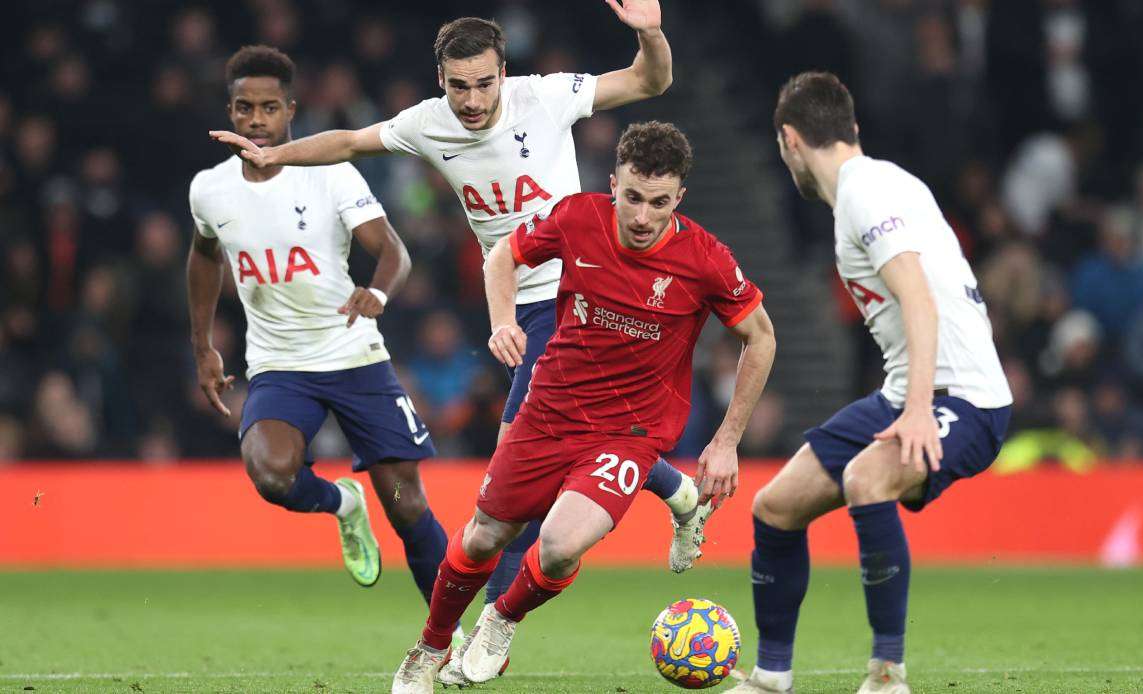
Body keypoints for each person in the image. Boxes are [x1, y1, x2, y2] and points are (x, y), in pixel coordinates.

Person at [209, 5, 714, 679]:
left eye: (484, 83)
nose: (473, 101)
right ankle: (673, 488)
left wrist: (650, 31)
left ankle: (488, 630)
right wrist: (277, 153)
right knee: (553, 454)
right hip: (518, 300)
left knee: (514, 470)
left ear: (504, 73)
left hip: (582, 292)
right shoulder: (427, 124)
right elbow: (351, 141)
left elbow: (648, 82)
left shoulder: (546, 96)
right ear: (440, 82)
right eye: (458, 87)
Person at [388, 121, 776, 692]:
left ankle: (500, 620)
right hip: (549, 412)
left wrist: (726, 441)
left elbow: (761, 338)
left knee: (561, 543)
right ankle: (430, 646)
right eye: (633, 198)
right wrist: (501, 321)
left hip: (630, 433)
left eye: (660, 203)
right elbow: (502, 256)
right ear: (613, 183)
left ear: (680, 198)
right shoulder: (576, 217)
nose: (643, 217)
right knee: (482, 538)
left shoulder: (704, 259)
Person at [730, 72, 1013, 694]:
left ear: (789, 141)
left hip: (962, 396)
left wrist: (916, 410)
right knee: (776, 507)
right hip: (906, 389)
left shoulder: (866, 194)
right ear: (851, 129)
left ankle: (888, 676)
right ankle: (770, 678)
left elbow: (919, 299)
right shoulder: (881, 183)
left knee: (867, 478)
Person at [188, 47, 448, 612]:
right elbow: (204, 256)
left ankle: (451, 637)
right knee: (271, 475)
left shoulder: (329, 174)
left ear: (291, 111)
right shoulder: (210, 189)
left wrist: (376, 292)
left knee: (406, 506)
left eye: (269, 108)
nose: (256, 120)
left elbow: (393, 252)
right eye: (244, 107)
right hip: (281, 368)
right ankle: (343, 505)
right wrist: (203, 346)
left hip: (355, 359)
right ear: (229, 112)